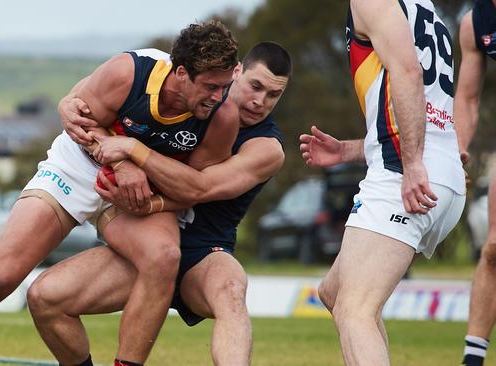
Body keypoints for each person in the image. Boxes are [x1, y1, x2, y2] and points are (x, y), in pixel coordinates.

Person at [0, 21, 239, 366]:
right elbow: (78, 122)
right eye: (210, 86)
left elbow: (195, 187)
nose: (217, 97)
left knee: (163, 257)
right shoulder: (130, 72)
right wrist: (122, 163)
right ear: (181, 73)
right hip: (77, 167)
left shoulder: (222, 117)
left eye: (224, 87)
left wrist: (142, 172)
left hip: (140, 192)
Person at [26, 41, 291, 366]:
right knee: (44, 298)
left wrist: (134, 154)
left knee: (231, 293)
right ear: (235, 73)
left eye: (273, 95)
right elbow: (94, 94)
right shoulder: (188, 97)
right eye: (255, 86)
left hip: (203, 253)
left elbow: (200, 187)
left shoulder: (266, 148)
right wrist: (67, 102)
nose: (259, 101)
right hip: (143, 245)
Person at [300, 0, 466, 365]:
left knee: (353, 309)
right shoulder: (425, 7)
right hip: (440, 170)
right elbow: (421, 110)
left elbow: (408, 74)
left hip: (405, 175)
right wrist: (347, 151)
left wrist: (412, 165)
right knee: (334, 292)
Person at [454, 1, 496, 365]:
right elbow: (467, 98)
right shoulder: (474, 23)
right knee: (494, 248)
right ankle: (473, 359)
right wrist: (456, 153)